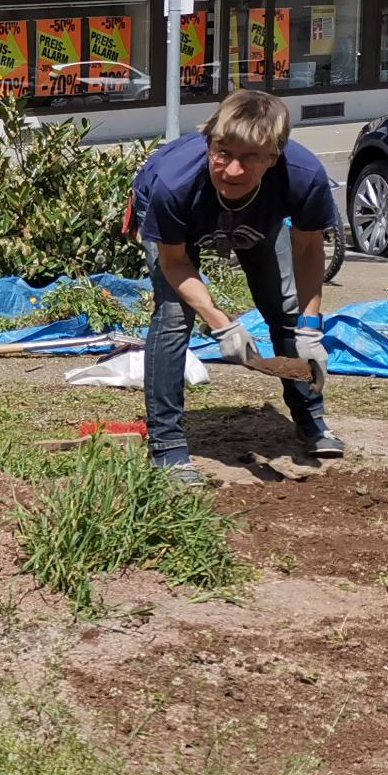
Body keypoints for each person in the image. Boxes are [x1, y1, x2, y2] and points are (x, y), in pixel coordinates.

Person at [131, 88, 341, 488]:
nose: (231, 170)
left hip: (260, 219)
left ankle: (310, 417)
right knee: (174, 315)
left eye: (250, 158)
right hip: (180, 219)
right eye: (223, 152)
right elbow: (175, 263)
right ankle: (167, 443)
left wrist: (311, 324)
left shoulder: (303, 177)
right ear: (210, 142)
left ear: (274, 157)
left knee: (285, 308)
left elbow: (308, 247)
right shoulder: (174, 183)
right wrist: (221, 324)